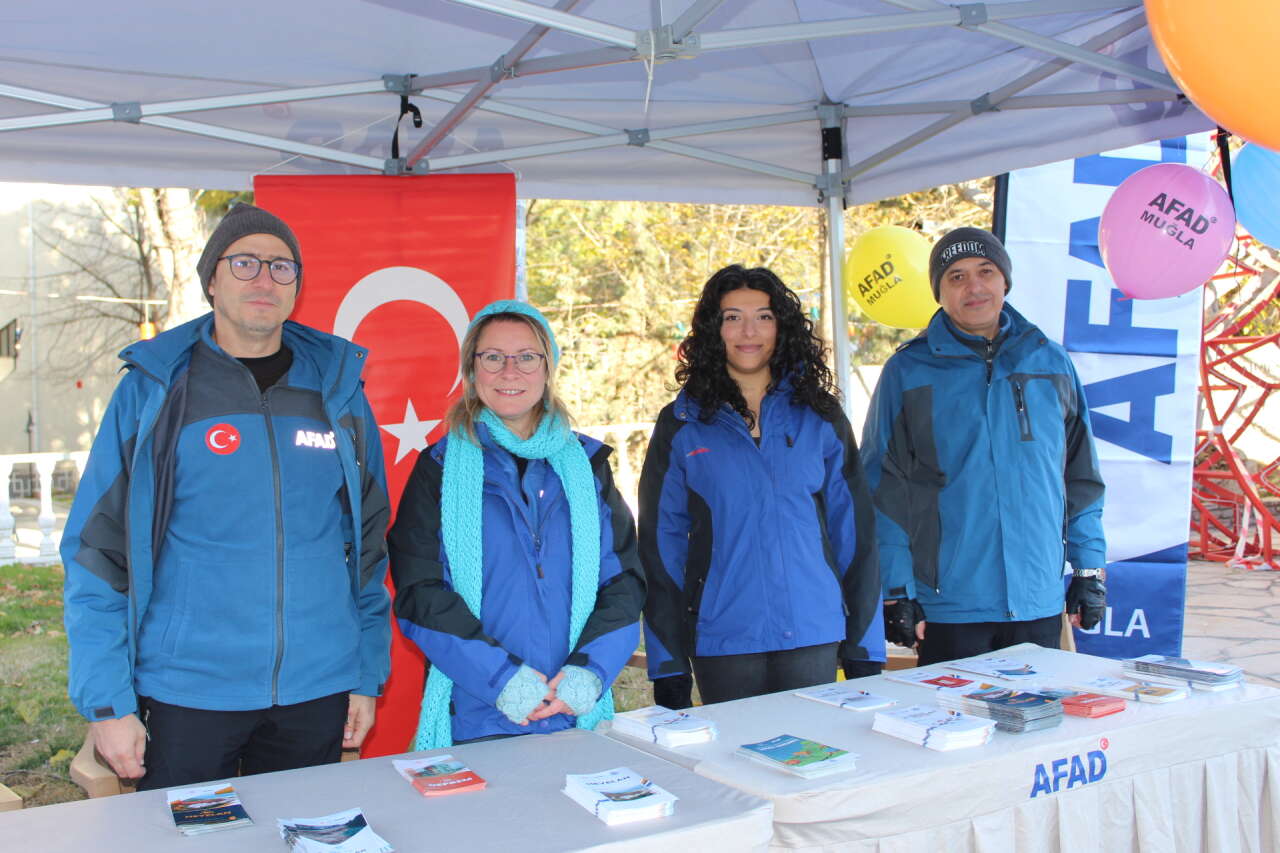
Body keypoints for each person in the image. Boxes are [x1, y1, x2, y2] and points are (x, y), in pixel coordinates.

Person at [61, 203, 392, 790]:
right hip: (189, 689)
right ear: (212, 279)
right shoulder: (156, 390)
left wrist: (364, 672)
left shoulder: (337, 390)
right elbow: (98, 554)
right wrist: (109, 704)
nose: (265, 279)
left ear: (297, 287)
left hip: (317, 686)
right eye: (245, 263)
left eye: (282, 267)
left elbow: (367, 548)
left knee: (304, 832)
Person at [389, 300, 644, 748]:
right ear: (472, 370)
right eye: (493, 357)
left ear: (548, 368)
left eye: (527, 356)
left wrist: (589, 672)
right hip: (479, 714)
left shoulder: (588, 467)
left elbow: (624, 582)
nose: (511, 371)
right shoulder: (439, 468)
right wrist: (504, 681)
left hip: (574, 710)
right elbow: (419, 594)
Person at [861, 226, 1107, 666]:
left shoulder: (1050, 361)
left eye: (985, 271)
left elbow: (1081, 477)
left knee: (1037, 730)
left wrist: (1088, 569)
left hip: (1037, 599)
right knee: (953, 728)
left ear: (1004, 281)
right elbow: (884, 487)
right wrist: (897, 590)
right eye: (955, 276)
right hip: (950, 605)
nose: (973, 286)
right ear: (938, 292)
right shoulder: (908, 371)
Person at [640, 264, 883, 708]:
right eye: (732, 316)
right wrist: (669, 662)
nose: (748, 331)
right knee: (733, 771)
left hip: (814, 632)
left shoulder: (821, 417)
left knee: (819, 768)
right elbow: (661, 551)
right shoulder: (681, 425)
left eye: (764, 316)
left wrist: (866, 646)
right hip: (724, 638)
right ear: (714, 329)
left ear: (782, 327)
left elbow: (857, 538)